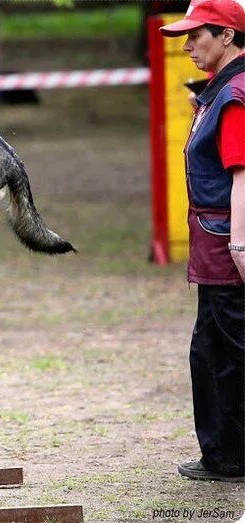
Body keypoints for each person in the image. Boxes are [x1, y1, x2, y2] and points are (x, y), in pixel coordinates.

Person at [160, 0, 245, 483]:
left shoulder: (233, 96)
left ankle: (230, 456)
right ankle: (225, 455)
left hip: (226, 245)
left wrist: (239, 246)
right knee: (211, 352)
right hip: (215, 244)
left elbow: (242, 176)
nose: (188, 45)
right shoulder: (219, 93)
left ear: (228, 36)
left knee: (232, 350)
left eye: (197, 36)